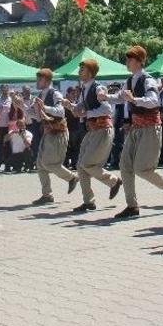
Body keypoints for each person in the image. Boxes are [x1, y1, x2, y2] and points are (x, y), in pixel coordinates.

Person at [112, 46, 163, 219]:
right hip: (136, 128)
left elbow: (154, 101)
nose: (127, 62)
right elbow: (121, 97)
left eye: (130, 59)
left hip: (150, 128)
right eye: (127, 59)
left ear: (139, 61)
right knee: (125, 165)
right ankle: (132, 205)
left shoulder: (147, 80)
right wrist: (106, 97)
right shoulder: (129, 81)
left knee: (143, 169)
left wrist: (134, 99)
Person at [63, 58, 122, 212]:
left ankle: (114, 181)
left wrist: (85, 112)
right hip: (92, 130)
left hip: (102, 129)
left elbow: (107, 110)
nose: (79, 72)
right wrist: (70, 106)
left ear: (90, 72)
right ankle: (88, 201)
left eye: (82, 70)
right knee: (80, 166)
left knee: (87, 164)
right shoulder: (84, 89)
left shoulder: (98, 88)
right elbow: (80, 111)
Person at [28, 68, 78, 205]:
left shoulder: (55, 93)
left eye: (39, 79)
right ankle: (47, 195)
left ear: (47, 80)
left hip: (58, 133)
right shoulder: (40, 95)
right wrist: (21, 106)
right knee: (40, 164)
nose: (37, 81)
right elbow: (37, 117)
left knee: (50, 164)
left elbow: (61, 112)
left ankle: (72, 177)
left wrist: (45, 108)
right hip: (48, 133)